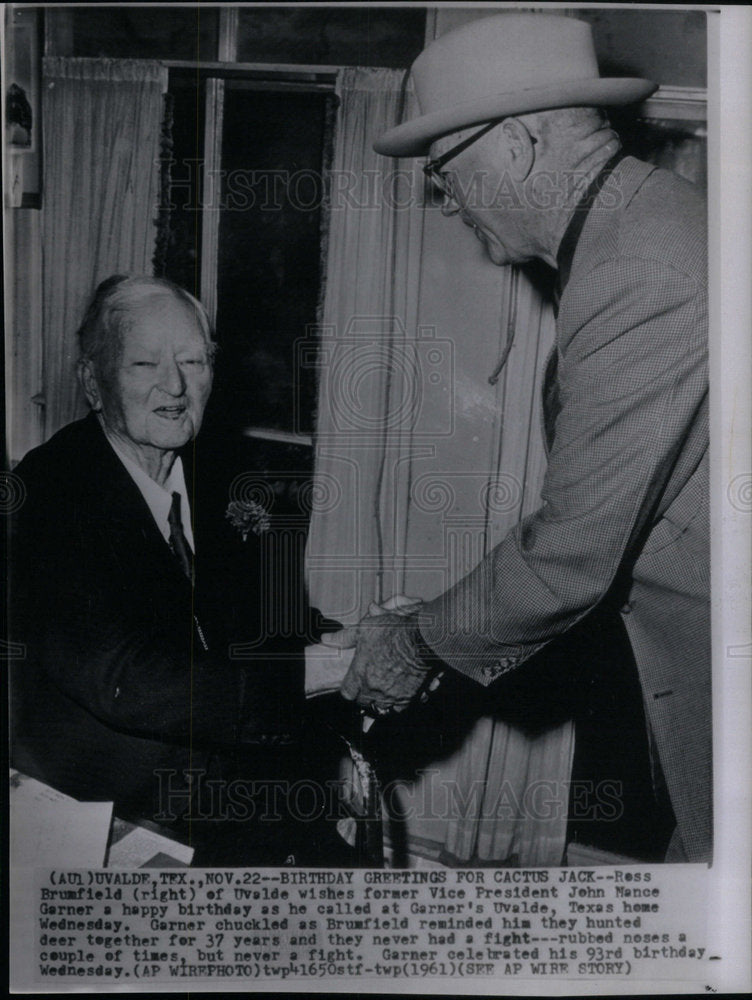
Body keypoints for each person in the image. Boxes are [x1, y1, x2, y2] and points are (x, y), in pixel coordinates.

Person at [329, 13, 710, 862]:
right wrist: (433, 621)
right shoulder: (634, 230)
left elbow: (573, 551)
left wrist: (417, 639)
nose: (446, 199)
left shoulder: (637, 269)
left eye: (445, 172)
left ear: (520, 144)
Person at [8, 275, 337, 865]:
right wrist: (322, 670)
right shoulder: (48, 492)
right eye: (144, 364)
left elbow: (267, 622)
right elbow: (125, 677)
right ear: (93, 381)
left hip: (232, 790)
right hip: (109, 815)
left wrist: (350, 642)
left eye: (192, 360)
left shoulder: (220, 478)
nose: (176, 386)